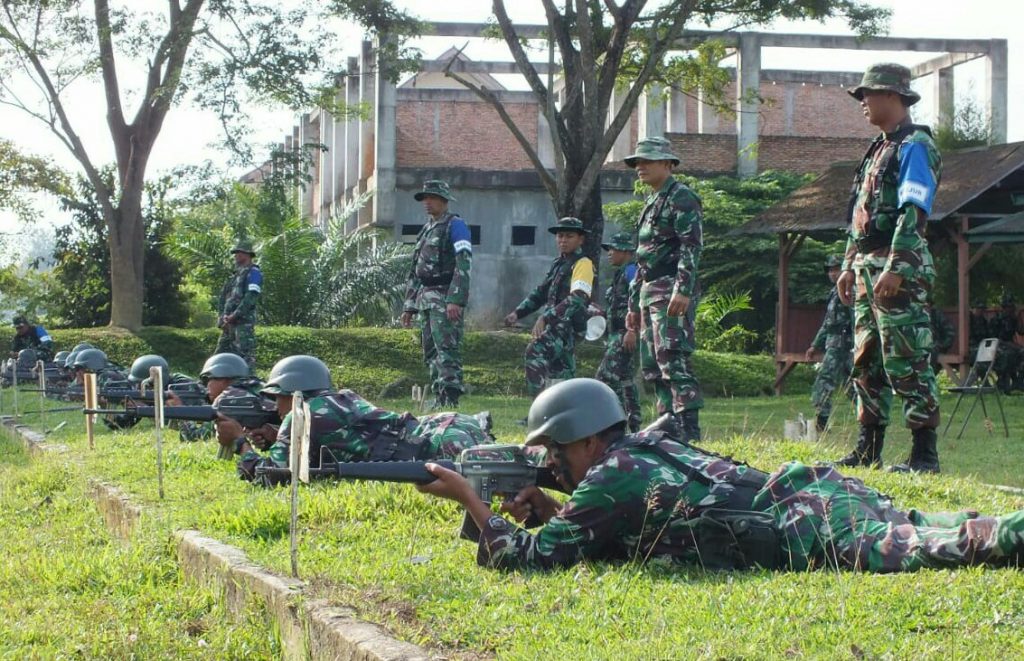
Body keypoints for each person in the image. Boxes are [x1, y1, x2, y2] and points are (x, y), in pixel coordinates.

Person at [417, 378, 1024, 573]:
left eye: (557, 453)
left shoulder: (609, 477)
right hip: (808, 487)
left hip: (799, 526)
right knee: (921, 522)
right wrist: (555, 511)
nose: (552, 466)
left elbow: (528, 561)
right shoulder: (642, 449)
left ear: (587, 438)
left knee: (931, 547)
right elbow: (613, 528)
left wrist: (472, 499)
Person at [832, 63, 943, 473]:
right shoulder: (878, 148)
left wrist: (896, 267)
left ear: (894, 96)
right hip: (866, 265)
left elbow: (914, 208)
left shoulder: (915, 146)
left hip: (898, 267)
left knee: (907, 358)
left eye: (869, 94)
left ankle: (923, 456)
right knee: (867, 359)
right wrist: (848, 264)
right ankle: (868, 449)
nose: (863, 102)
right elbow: (859, 216)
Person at [225, 356, 494, 483]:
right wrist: (278, 437)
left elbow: (268, 476)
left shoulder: (303, 412)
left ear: (294, 392)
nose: (276, 405)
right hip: (452, 425)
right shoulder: (338, 399)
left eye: (278, 397)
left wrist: (239, 442)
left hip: (441, 446)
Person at [623, 136, 704, 442]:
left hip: (670, 289)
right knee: (652, 364)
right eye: (637, 162)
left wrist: (683, 289)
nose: (640, 167)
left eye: (647, 161)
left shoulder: (682, 197)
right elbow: (642, 258)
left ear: (668, 164)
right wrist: (633, 305)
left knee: (673, 358)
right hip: (648, 290)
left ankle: (689, 430)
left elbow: (691, 247)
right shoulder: (652, 201)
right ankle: (667, 426)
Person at [401, 180, 472, 409]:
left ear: (444, 200)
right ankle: (438, 396)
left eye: (432, 198)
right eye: (425, 198)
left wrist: (455, 299)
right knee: (430, 351)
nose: (427, 203)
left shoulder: (456, 225)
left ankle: (450, 398)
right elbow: (415, 270)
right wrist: (409, 305)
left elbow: (464, 264)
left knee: (447, 349)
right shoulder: (426, 229)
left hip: (444, 297)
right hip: (425, 298)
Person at [504, 217, 594, 397]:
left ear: (580, 239)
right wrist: (518, 312)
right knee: (560, 372)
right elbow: (542, 292)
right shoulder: (558, 263)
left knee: (535, 351)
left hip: (568, 325)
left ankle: (539, 409)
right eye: (560, 236)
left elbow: (578, 297)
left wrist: (546, 317)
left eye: (569, 236)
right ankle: (559, 413)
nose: (563, 240)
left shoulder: (583, 263)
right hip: (557, 325)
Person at [174, 352, 277, 458]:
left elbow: (195, 437)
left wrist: (177, 407)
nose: (206, 386)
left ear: (223, 378)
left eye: (207, 379)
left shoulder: (226, 398)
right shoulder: (257, 387)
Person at [594, 231, 641, 433]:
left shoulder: (632, 271)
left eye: (612, 249)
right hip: (617, 335)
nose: (609, 254)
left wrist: (632, 330)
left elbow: (638, 300)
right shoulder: (620, 273)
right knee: (625, 381)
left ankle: (610, 423)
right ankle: (634, 423)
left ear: (624, 251)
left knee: (604, 378)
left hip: (624, 335)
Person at [805, 255, 854, 434]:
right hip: (834, 343)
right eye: (830, 270)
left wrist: (858, 345)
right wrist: (815, 345)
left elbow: (856, 319)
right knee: (852, 385)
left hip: (845, 345)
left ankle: (822, 423)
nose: (832, 273)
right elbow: (828, 322)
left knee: (824, 382)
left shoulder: (849, 291)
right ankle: (870, 418)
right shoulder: (835, 292)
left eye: (836, 269)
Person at [217, 241, 263, 370]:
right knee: (219, 357)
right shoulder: (234, 276)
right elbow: (223, 297)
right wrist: (223, 317)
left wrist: (235, 315)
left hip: (243, 323)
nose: (236, 256)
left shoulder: (254, 273)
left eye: (239, 253)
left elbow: (251, 297)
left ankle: (249, 385)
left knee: (245, 357)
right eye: (235, 253)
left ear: (247, 255)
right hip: (228, 324)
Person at [989, 294, 1023, 393]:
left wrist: (1018, 318)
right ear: (1005, 307)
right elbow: (994, 338)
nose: (1011, 309)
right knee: (1008, 355)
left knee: (1020, 352)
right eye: (1010, 307)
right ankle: (1003, 382)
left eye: (1012, 307)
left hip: (1009, 345)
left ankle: (1019, 381)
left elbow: (1020, 331)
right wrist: (1009, 344)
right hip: (997, 345)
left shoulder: (1012, 318)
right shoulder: (997, 319)